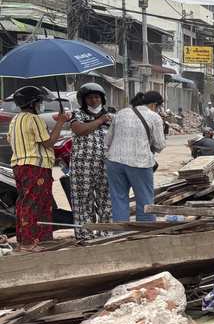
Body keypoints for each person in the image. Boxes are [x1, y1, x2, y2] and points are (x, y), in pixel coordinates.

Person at [6, 86, 67, 252]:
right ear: (32, 103)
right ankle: (28, 243)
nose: (41, 104)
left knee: (25, 202)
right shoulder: (35, 120)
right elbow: (48, 142)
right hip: (36, 167)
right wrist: (60, 122)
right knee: (34, 204)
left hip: (19, 165)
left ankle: (26, 240)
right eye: (39, 101)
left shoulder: (15, 120)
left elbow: (11, 140)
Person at [105, 90, 165, 223]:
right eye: (159, 107)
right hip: (140, 163)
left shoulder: (121, 113)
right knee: (145, 201)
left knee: (119, 200)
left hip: (114, 162)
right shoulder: (154, 117)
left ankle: (120, 236)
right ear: (155, 105)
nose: (159, 110)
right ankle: (144, 235)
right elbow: (160, 145)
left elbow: (108, 141)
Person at [68, 83, 115, 242]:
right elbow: (80, 130)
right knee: (82, 201)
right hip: (82, 166)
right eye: (90, 98)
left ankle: (105, 234)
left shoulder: (112, 117)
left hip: (106, 165)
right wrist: (100, 120)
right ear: (83, 100)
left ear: (102, 98)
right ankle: (84, 236)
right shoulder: (77, 115)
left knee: (106, 201)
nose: (94, 100)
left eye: (97, 97)